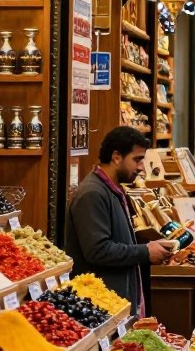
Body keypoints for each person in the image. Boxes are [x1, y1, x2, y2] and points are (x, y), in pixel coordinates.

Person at [65, 126, 176, 315]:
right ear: (116, 157)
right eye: (137, 159)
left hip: (115, 305)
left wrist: (150, 246)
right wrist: (145, 252)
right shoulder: (92, 194)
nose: (141, 167)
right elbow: (98, 251)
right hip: (100, 308)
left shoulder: (113, 190)